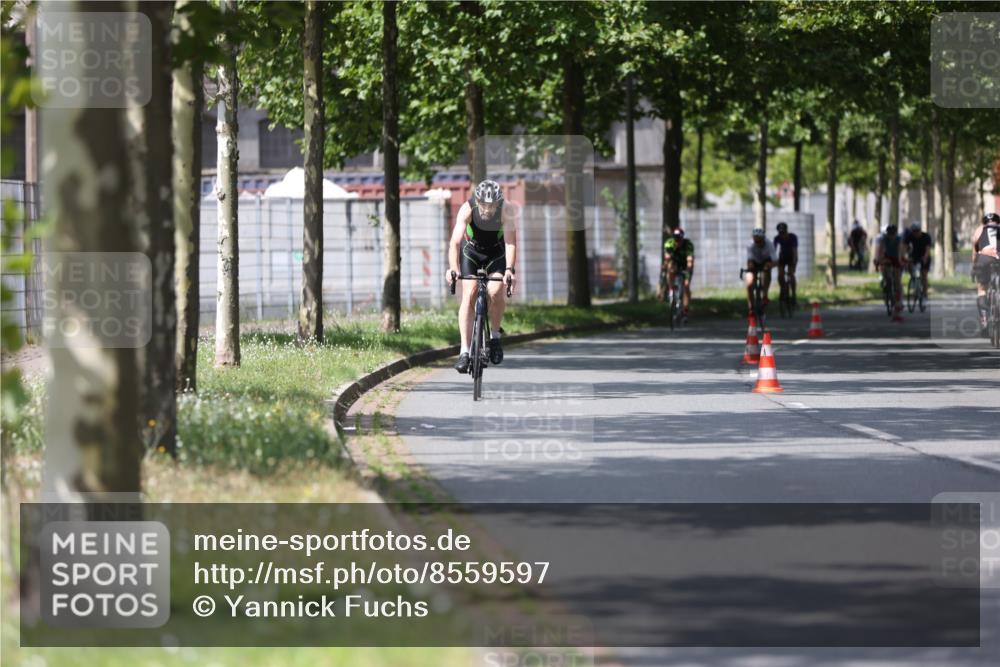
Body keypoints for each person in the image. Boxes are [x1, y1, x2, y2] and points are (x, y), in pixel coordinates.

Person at [446, 180, 517, 373]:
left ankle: (494, 337)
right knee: (469, 294)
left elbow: (510, 243)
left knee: (495, 291)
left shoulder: (506, 210)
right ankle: (464, 352)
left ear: (498, 202)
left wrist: (510, 270)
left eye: (492, 205)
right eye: (484, 205)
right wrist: (453, 268)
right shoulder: (467, 209)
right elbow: (454, 243)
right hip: (472, 252)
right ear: (477, 201)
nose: (487, 209)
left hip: (496, 253)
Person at [971, 212, 1000, 334]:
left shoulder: (979, 229)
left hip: (984, 259)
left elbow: (975, 251)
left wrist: (974, 267)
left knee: (982, 289)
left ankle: (984, 319)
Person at [874, 223, 907, 321]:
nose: (891, 236)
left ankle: (899, 300)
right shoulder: (883, 239)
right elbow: (880, 250)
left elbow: (900, 252)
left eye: (893, 234)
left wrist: (900, 262)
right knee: (886, 276)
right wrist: (878, 262)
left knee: (897, 281)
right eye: (889, 234)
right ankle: (886, 287)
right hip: (887, 258)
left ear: (896, 233)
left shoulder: (899, 239)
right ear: (887, 233)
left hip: (896, 258)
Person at [663, 227, 695, 322]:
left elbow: (690, 260)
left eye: (679, 239)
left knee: (686, 286)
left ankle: (685, 311)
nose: (677, 241)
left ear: (682, 238)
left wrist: (688, 270)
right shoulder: (670, 243)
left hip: (685, 265)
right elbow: (667, 258)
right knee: (670, 269)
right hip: (675, 263)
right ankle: (671, 289)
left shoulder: (688, 244)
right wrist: (666, 265)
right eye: (675, 239)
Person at [745, 227, 777, 311]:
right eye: (756, 241)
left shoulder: (769, 244)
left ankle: (765, 294)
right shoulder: (750, 245)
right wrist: (750, 268)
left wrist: (769, 265)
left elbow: (775, 261)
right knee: (749, 282)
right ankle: (751, 305)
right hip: (754, 261)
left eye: (760, 241)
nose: (758, 243)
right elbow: (749, 260)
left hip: (766, 261)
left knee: (766, 271)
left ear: (763, 239)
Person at [902, 222, 932, 298]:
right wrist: (904, 256)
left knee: (924, 275)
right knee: (909, 265)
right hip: (915, 255)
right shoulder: (910, 236)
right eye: (914, 232)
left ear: (920, 230)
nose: (915, 234)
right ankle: (913, 279)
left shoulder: (926, 236)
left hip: (924, 255)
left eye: (917, 231)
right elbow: (904, 247)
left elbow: (928, 249)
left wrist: (925, 257)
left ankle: (925, 292)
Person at [773, 222, 798, 302]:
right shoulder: (777, 238)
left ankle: (793, 294)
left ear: (787, 231)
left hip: (791, 257)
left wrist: (794, 263)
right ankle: (783, 289)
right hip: (782, 257)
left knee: (791, 274)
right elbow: (774, 251)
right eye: (780, 233)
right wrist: (774, 260)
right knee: (780, 275)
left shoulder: (793, 237)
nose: (782, 235)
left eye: (784, 233)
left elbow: (795, 251)